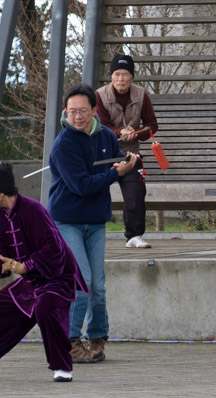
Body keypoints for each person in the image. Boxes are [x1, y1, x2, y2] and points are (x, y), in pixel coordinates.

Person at [0, 161, 88, 382]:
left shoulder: (34, 210)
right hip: (33, 281)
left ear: (1, 192)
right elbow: (0, 263)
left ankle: (63, 368)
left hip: (59, 276)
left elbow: (54, 249)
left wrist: (25, 266)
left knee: (46, 308)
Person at [49, 83, 138, 363]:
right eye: (72, 111)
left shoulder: (106, 138)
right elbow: (82, 186)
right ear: (65, 112)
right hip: (67, 221)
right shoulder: (64, 144)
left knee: (98, 285)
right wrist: (114, 174)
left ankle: (97, 338)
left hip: (96, 222)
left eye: (83, 111)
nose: (77, 117)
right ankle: (70, 341)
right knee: (81, 281)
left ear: (94, 110)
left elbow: (115, 171)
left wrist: (128, 166)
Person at [95, 53, 159, 249]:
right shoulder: (99, 95)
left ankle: (134, 236)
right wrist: (119, 132)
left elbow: (151, 125)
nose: (120, 79)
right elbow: (100, 126)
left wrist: (137, 133)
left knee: (136, 191)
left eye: (124, 74)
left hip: (131, 154)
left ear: (131, 76)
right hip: (104, 153)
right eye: (116, 74)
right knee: (91, 188)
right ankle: (90, 232)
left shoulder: (141, 95)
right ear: (111, 76)